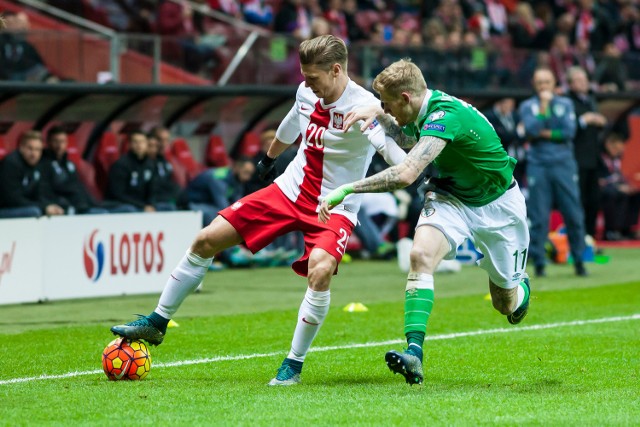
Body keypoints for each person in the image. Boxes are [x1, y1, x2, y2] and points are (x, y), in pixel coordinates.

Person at [110, 35, 406, 386]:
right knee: (207, 239)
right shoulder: (306, 92)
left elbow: (400, 162)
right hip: (289, 191)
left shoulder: (365, 108)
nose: (306, 83)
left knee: (320, 271)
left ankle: (293, 364)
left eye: (312, 77)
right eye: (304, 76)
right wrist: (269, 158)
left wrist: (383, 128)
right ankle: (157, 322)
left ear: (336, 69)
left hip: (333, 207)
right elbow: (290, 124)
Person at [318, 59, 531, 386]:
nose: (383, 108)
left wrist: (346, 189)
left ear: (405, 98)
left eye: (387, 103)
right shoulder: (420, 109)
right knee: (420, 256)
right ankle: (414, 352)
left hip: (499, 205)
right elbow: (407, 140)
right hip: (452, 197)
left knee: (505, 305)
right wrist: (380, 119)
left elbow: (406, 172)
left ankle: (520, 290)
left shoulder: (445, 116)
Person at [519, 67, 588, 278]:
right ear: (534, 84)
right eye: (539, 83)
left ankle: (579, 260)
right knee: (539, 216)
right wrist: (543, 107)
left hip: (563, 164)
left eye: (547, 82)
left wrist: (543, 133)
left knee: (573, 214)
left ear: (554, 83)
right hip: (538, 165)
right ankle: (539, 262)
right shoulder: (527, 106)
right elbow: (530, 131)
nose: (543, 87)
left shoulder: (566, 104)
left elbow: (569, 132)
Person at [566, 66, 607, 238]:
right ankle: (577, 238)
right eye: (578, 80)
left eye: (585, 79)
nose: (583, 83)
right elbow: (566, 129)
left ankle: (590, 239)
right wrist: (583, 120)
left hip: (593, 159)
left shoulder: (591, 100)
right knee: (578, 201)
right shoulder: (566, 102)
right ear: (570, 84)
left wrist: (601, 122)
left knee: (594, 201)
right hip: (576, 159)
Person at [41, 126, 109, 215]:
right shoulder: (43, 164)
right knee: (102, 213)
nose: (59, 145)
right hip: (66, 208)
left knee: (107, 211)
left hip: (81, 205)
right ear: (48, 142)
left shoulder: (69, 164)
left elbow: (78, 186)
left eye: (62, 141)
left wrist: (92, 203)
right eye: (56, 141)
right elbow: (48, 191)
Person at [0, 131, 65, 218]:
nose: (34, 154)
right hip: (4, 208)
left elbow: (40, 194)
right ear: (21, 147)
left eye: (38, 149)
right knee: (34, 211)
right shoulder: (11, 164)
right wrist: (43, 207)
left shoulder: (37, 165)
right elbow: (12, 199)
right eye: (30, 148)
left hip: (19, 206)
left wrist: (50, 205)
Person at [598, 133, 640, 240]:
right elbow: (600, 180)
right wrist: (618, 187)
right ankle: (611, 230)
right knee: (615, 193)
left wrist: (627, 185)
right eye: (616, 148)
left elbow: (618, 176)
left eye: (621, 150)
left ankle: (627, 229)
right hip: (603, 189)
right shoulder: (599, 158)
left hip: (616, 186)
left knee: (635, 193)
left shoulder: (617, 159)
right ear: (608, 145)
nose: (619, 152)